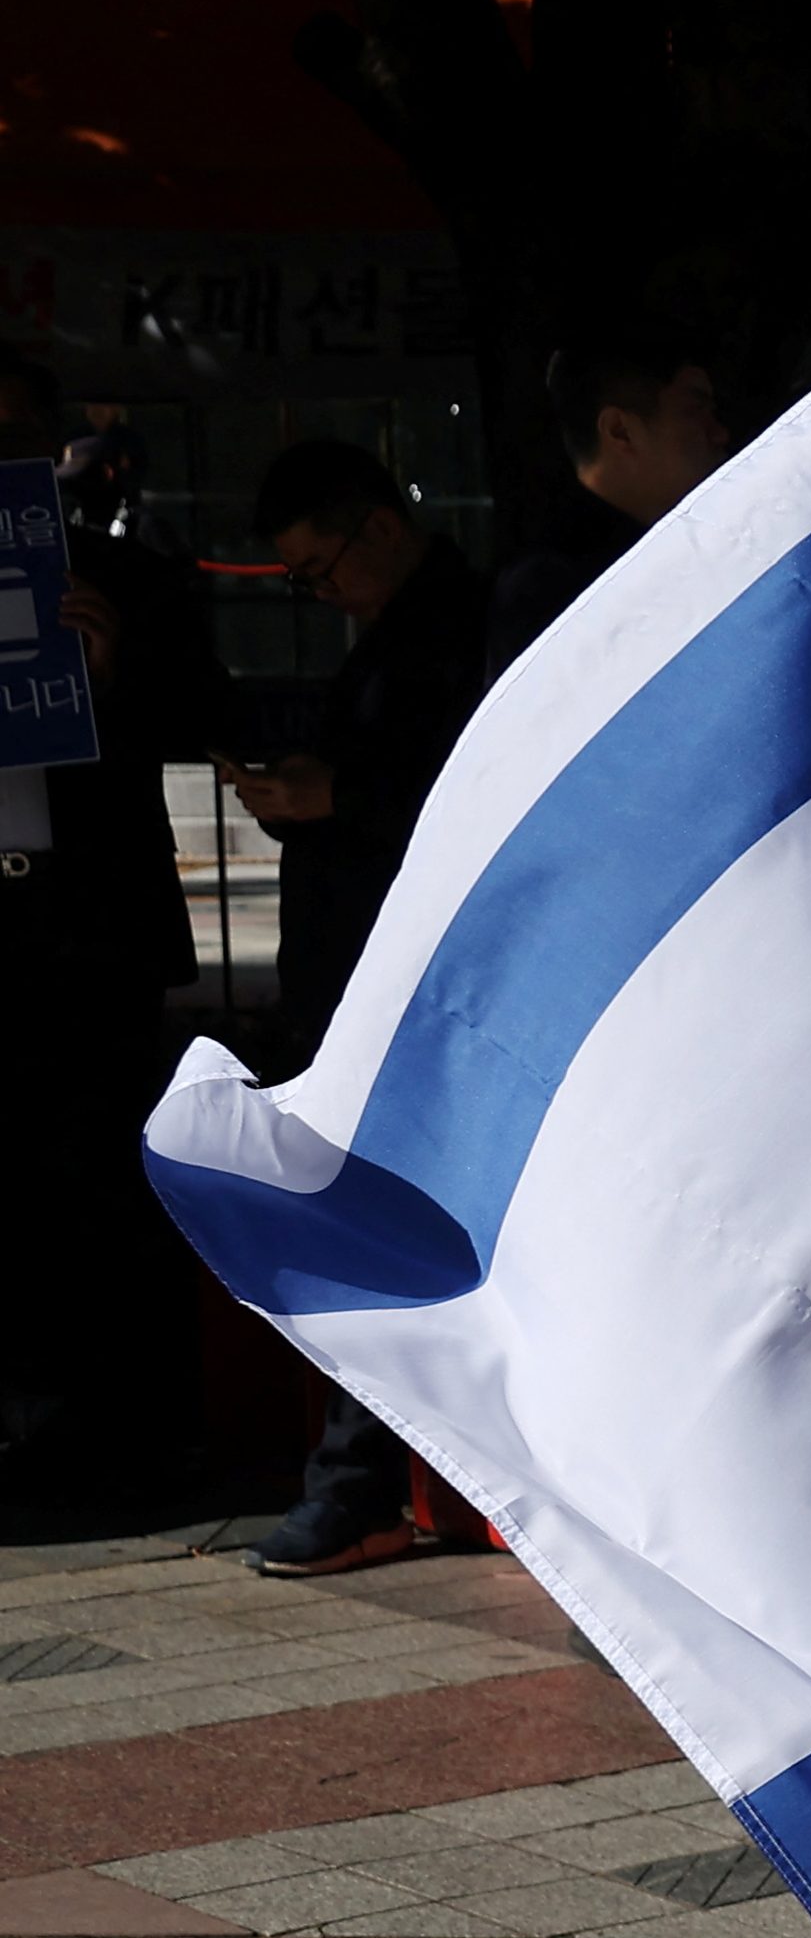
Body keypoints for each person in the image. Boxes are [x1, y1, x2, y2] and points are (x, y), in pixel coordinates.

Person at [232, 438, 492, 1576]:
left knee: (372, 1229)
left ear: (380, 526)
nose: (317, 591)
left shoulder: (469, 623)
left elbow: (467, 798)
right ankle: (371, 1481)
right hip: (361, 977)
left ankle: (359, 1484)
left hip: (411, 989)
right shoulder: (401, 631)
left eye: (316, 566)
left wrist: (340, 794)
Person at [0, 352, 226, 1509]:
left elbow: (206, 716)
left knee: (99, 1177)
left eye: (16, 442)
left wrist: (113, 669)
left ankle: (121, 1423)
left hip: (91, 934)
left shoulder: (125, 575)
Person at [487, 319, 729, 673]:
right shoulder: (550, 592)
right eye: (694, 411)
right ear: (621, 431)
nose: (720, 433)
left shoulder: (698, 544)